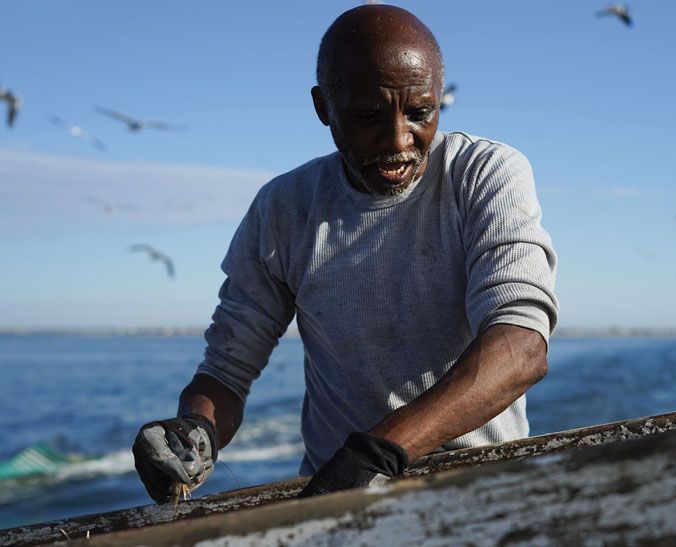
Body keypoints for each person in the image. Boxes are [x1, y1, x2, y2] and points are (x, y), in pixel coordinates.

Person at [132, 4, 558, 502]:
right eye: (367, 116)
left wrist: (380, 453)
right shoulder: (285, 208)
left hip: (482, 486)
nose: (400, 139)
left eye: (420, 113)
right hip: (338, 493)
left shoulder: (486, 174)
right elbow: (226, 371)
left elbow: (519, 348)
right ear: (323, 108)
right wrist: (194, 432)